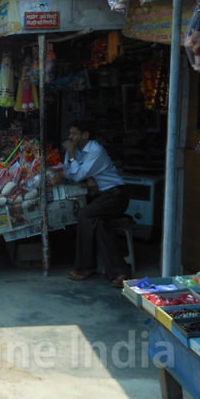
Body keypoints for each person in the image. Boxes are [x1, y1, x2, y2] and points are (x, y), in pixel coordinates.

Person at [62, 119, 130, 287]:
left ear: (85, 135)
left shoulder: (95, 150)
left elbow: (77, 175)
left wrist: (72, 156)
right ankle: (119, 272)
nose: (70, 138)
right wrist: (87, 176)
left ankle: (85, 267)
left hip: (115, 196)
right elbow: (68, 174)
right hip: (101, 197)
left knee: (84, 215)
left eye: (74, 134)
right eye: (70, 134)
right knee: (98, 224)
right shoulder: (74, 150)